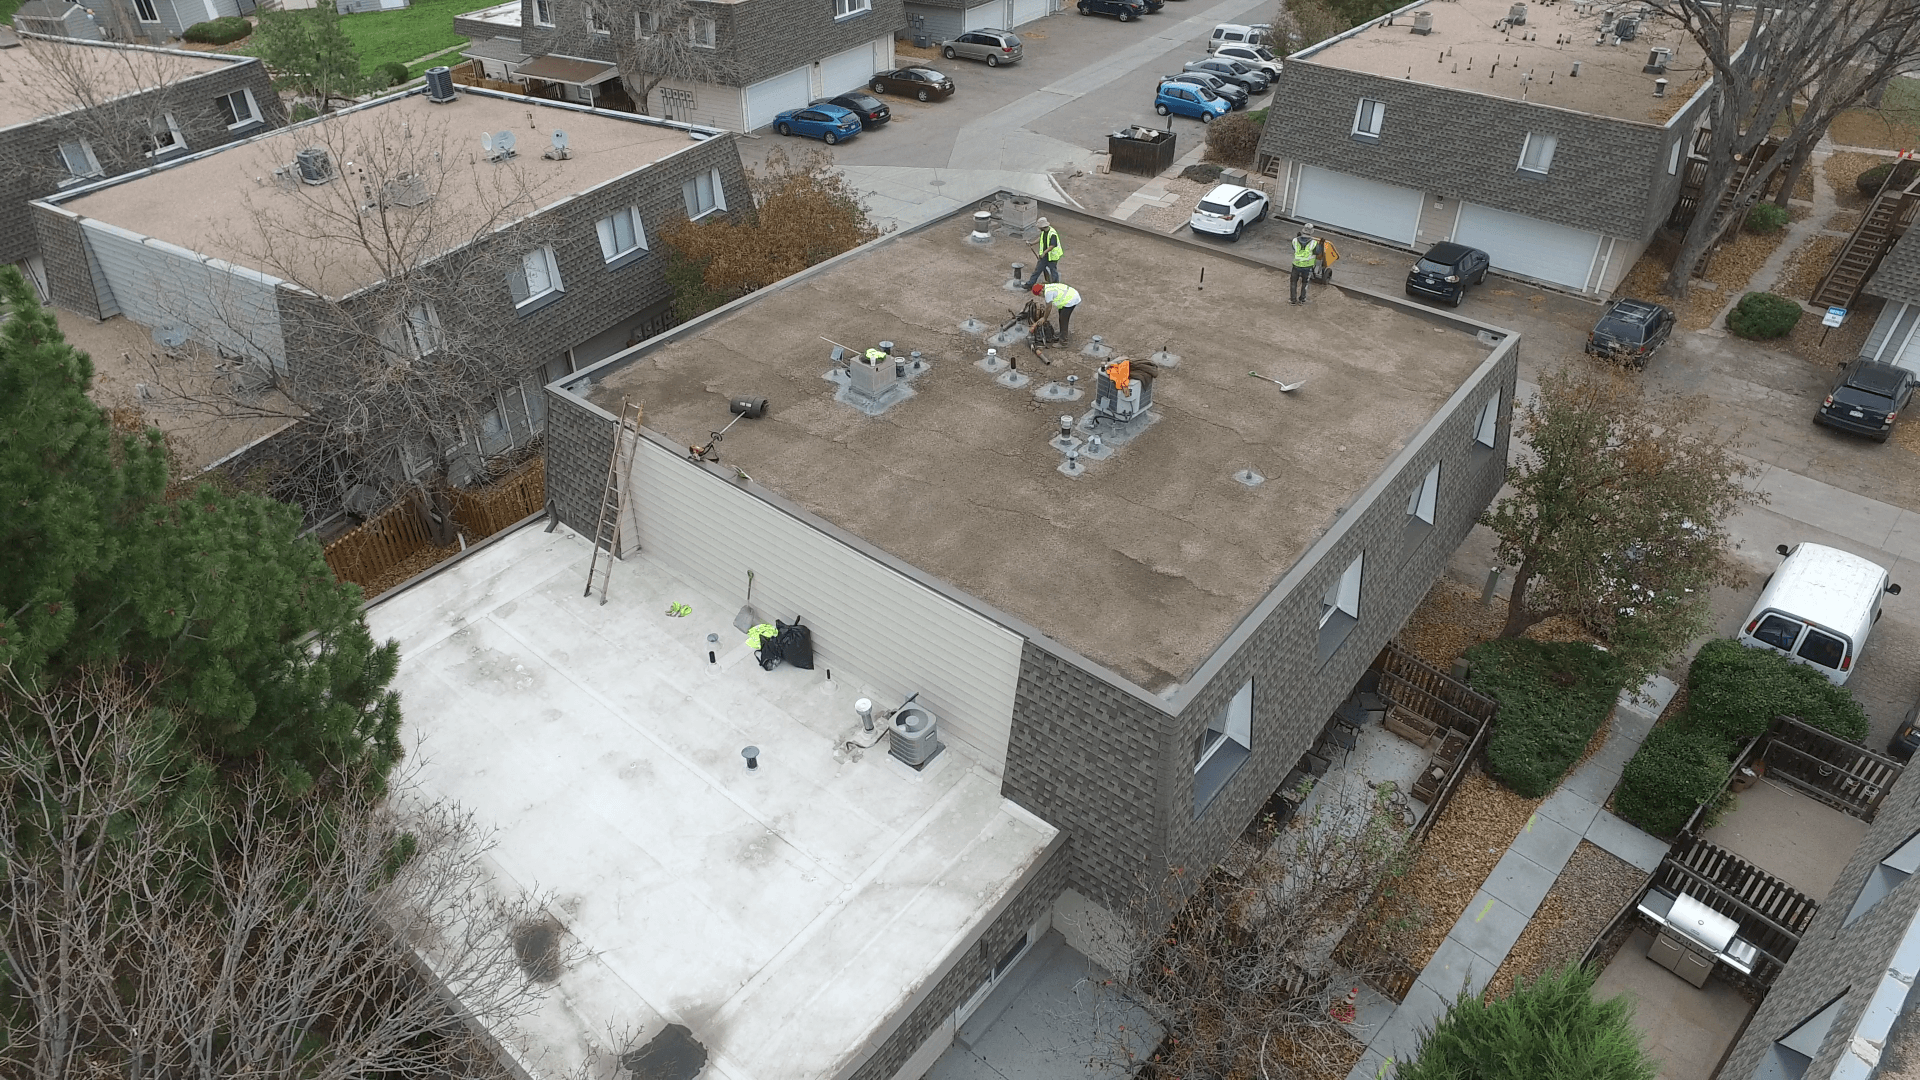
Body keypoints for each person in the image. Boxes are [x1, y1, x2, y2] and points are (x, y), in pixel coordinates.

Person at [1024, 217, 1064, 288]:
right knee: (1037, 270)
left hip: (1052, 256)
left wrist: (1044, 253)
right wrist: (1032, 243)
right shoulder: (1044, 232)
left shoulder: (1052, 234)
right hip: (1044, 256)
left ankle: (1055, 286)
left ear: (1042, 227)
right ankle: (1030, 284)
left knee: (1053, 271)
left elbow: (1052, 246)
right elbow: (1040, 238)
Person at [1289, 224, 1320, 305]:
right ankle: (1302, 299)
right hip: (1307, 266)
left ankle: (1293, 300)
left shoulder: (1295, 240)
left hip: (1296, 265)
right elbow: (1317, 252)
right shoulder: (1314, 243)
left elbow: (1293, 248)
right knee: (1305, 283)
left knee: (1293, 282)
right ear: (1311, 232)